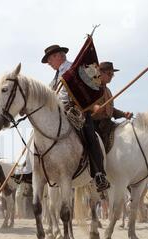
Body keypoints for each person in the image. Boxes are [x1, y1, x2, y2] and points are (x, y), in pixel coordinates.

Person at [45, 45, 109, 193]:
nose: (48, 63)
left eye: (49, 59)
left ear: (58, 56)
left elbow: (92, 86)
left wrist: (92, 107)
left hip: (77, 110)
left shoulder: (74, 68)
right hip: (58, 112)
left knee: (90, 136)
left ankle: (99, 174)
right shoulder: (55, 77)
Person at [91, 62, 133, 143]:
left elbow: (110, 110)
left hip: (107, 125)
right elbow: (83, 103)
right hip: (94, 125)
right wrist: (94, 108)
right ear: (100, 72)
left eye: (112, 74)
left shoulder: (108, 91)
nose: (111, 77)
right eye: (109, 73)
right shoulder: (92, 87)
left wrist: (124, 114)